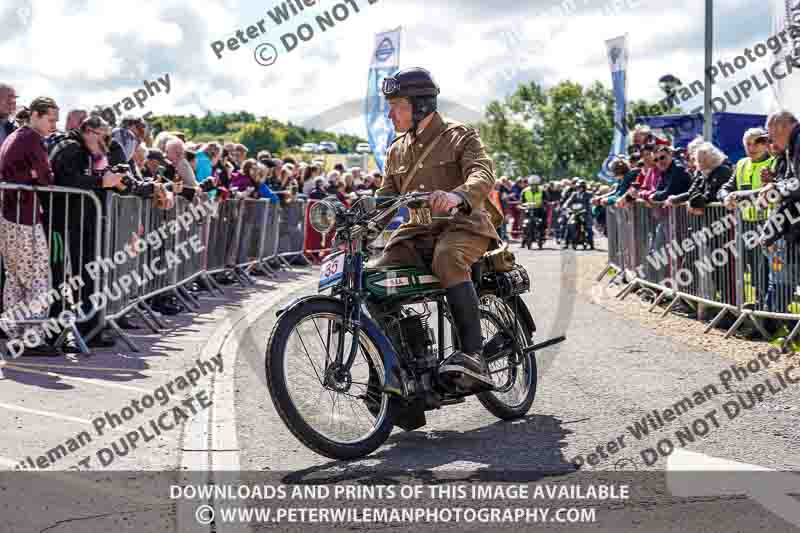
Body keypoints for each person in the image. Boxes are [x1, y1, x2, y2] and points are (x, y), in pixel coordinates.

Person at [374, 67, 501, 391]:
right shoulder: (397, 149)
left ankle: (474, 356)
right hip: (418, 233)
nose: (390, 114)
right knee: (374, 279)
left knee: (447, 257)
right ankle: (403, 367)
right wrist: (355, 226)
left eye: (397, 106)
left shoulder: (460, 135)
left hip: (463, 227)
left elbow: (482, 174)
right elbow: (385, 199)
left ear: (421, 106)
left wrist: (457, 195)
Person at [48, 115, 125, 348]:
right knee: (62, 279)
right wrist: (102, 182)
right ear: (89, 131)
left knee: (89, 275)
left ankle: (90, 330)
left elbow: (99, 177)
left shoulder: (90, 151)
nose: (107, 142)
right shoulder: (69, 148)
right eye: (104, 136)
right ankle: (55, 334)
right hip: (64, 223)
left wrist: (109, 175)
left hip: (84, 222)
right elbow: (65, 180)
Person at [0, 97, 60, 355]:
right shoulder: (31, 139)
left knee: (15, 278)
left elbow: (39, 175)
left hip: (9, 214)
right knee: (37, 277)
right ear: (35, 115)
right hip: (24, 215)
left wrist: (35, 175)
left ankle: (16, 333)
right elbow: (47, 178)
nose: (54, 125)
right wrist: (37, 176)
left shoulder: (14, 136)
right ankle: (33, 337)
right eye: (51, 119)